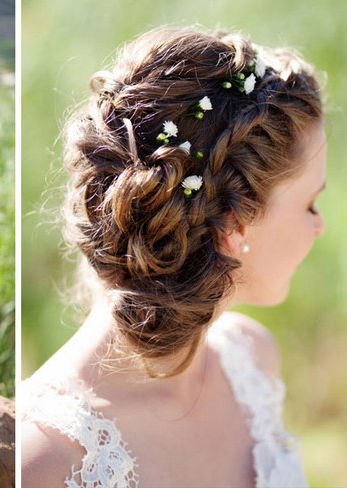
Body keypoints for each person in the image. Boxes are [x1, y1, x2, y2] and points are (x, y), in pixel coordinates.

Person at [21, 26, 325, 487]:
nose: (319, 226)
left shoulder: (252, 360)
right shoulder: (45, 459)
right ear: (236, 222)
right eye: (309, 204)